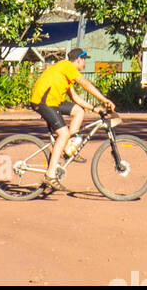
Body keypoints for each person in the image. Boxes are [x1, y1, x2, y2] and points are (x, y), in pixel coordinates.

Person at [29, 49, 116, 187]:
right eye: (84, 60)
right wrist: (104, 99)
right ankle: (50, 175)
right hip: (43, 102)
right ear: (79, 60)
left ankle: (69, 147)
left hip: (53, 102)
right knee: (63, 134)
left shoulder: (66, 72)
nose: (85, 63)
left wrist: (94, 108)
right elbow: (85, 84)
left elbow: (75, 97)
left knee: (78, 111)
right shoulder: (67, 66)